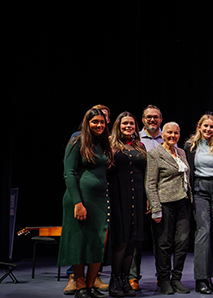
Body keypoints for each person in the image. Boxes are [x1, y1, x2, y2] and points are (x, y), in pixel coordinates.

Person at [58, 108, 113, 298]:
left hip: (99, 200)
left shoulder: (103, 143)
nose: (99, 125)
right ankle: (80, 286)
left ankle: (90, 286)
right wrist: (78, 203)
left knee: (98, 241)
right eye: (94, 122)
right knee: (79, 243)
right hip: (81, 198)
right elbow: (69, 173)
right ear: (87, 123)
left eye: (102, 122)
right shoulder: (78, 141)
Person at [145, 122, 192, 295]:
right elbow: (150, 184)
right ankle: (163, 280)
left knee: (182, 242)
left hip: (183, 202)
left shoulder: (181, 152)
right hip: (165, 204)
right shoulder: (155, 154)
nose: (173, 136)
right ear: (163, 134)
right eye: (169, 133)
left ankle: (176, 278)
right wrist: (155, 208)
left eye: (176, 133)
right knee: (163, 244)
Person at [107, 112, 148, 297]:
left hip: (138, 196)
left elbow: (146, 173)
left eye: (131, 123)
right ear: (118, 125)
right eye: (125, 123)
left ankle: (125, 279)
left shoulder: (140, 146)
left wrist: (147, 197)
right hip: (118, 194)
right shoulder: (111, 144)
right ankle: (114, 280)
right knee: (121, 238)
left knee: (133, 239)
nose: (128, 126)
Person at [184, 114, 213, 294]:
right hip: (199, 188)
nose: (208, 130)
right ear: (199, 127)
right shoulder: (189, 146)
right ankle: (200, 278)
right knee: (204, 231)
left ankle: (210, 276)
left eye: (212, 127)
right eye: (205, 126)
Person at [129, 104, 164, 292]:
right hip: (139, 194)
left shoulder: (166, 139)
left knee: (161, 239)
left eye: (156, 117)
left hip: (162, 195)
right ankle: (133, 277)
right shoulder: (134, 140)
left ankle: (162, 276)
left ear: (161, 120)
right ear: (142, 120)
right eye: (149, 117)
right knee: (136, 239)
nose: (152, 120)